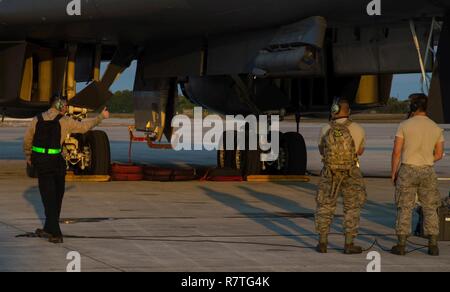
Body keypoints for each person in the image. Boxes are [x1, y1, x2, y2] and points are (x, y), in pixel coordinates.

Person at [23, 95, 110, 243]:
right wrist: (101, 116)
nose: (65, 108)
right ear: (58, 105)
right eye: (64, 106)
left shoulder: (36, 119)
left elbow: (27, 140)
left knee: (49, 198)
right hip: (57, 163)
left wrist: (28, 156)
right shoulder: (65, 121)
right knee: (56, 198)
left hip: (43, 163)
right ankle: (56, 233)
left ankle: (49, 229)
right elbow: (84, 127)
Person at [391, 93, 445, 256]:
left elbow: (396, 152)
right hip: (427, 170)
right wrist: (427, 159)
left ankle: (401, 244)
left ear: (413, 107)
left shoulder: (404, 125)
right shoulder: (435, 127)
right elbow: (440, 153)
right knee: (430, 207)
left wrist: (394, 173)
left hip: (408, 169)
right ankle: (433, 244)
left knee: (405, 206)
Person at [315, 98, 367, 254]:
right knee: (352, 207)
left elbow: (321, 151)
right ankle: (349, 243)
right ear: (348, 111)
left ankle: (323, 242)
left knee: (325, 206)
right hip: (351, 172)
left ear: (334, 110)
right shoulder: (358, 128)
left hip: (329, 173)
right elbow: (360, 151)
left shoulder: (325, 128)